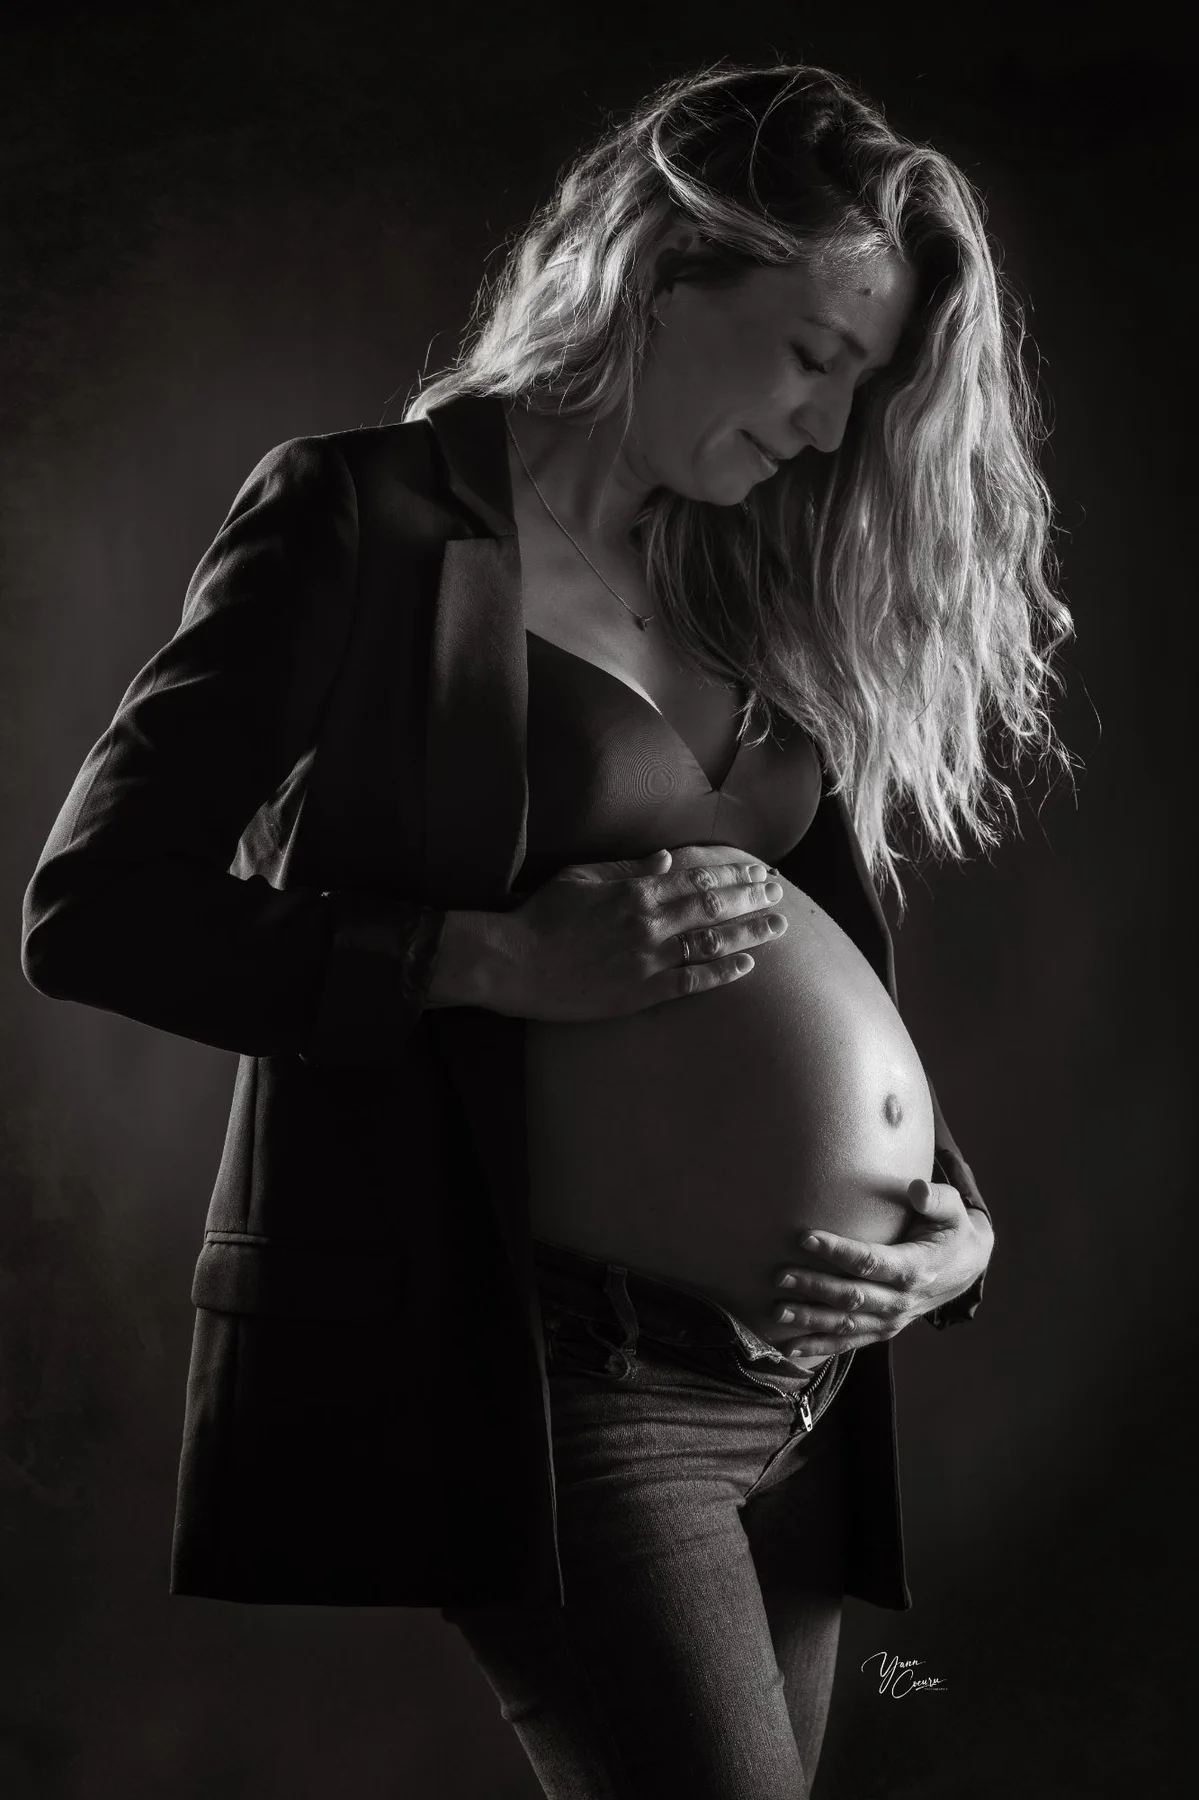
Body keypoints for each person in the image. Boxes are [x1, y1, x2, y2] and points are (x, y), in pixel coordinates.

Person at [20, 56, 1073, 1800]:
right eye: (817, 355)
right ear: (666, 274)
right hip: (570, 1388)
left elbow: (815, 967)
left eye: (864, 386)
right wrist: (480, 958)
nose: (828, 426)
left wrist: (955, 1226)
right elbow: (91, 912)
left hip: (801, 1388)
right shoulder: (364, 521)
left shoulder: (746, 581)